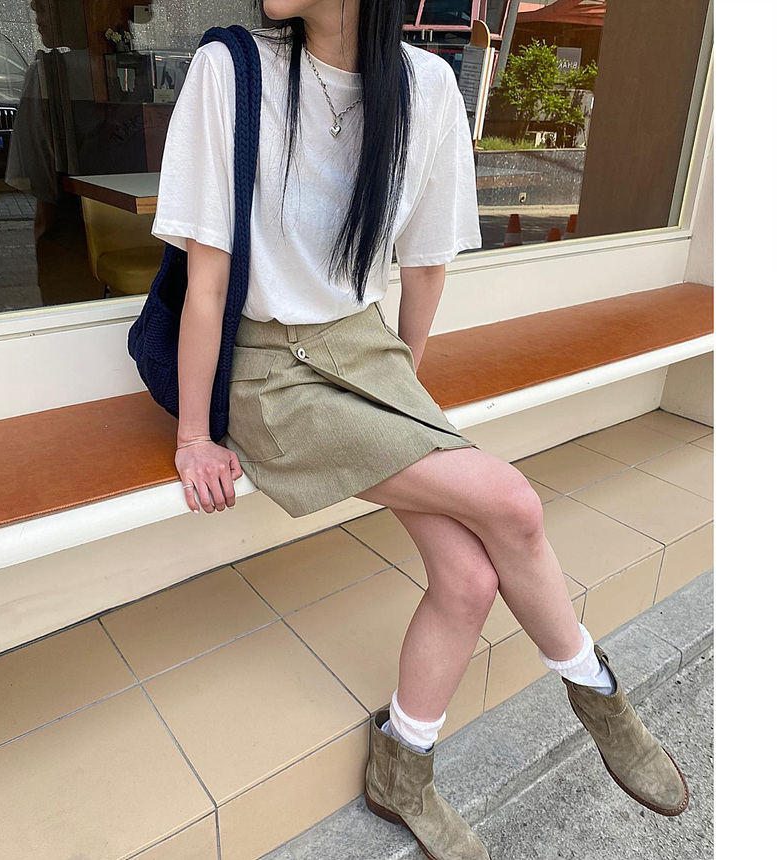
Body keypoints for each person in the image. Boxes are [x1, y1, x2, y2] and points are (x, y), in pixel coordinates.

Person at [150, 3, 689, 858]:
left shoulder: (428, 85)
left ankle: (401, 770)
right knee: (512, 502)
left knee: (469, 577)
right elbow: (206, 282)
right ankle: (598, 695)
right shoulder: (232, 70)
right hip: (265, 370)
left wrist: (402, 395)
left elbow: (426, 262)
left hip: (367, 353)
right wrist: (192, 437)